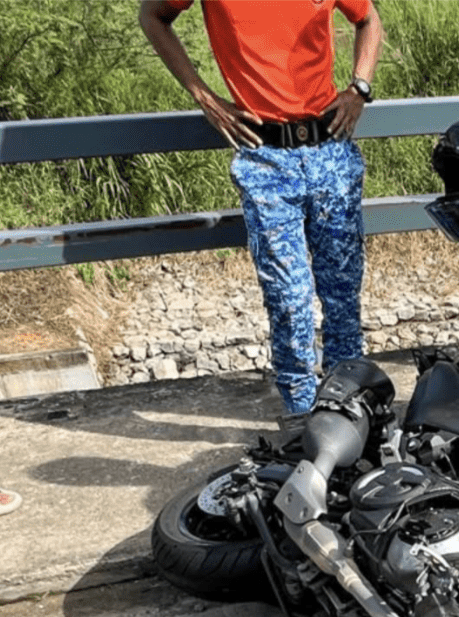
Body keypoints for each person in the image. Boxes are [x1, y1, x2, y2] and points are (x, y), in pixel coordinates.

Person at [140, 0, 384, 415]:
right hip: (265, 156)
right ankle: (303, 415)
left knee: (343, 296)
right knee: (288, 299)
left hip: (330, 151)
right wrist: (204, 96)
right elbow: (153, 16)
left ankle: (349, 409)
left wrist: (359, 87)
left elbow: (368, 18)